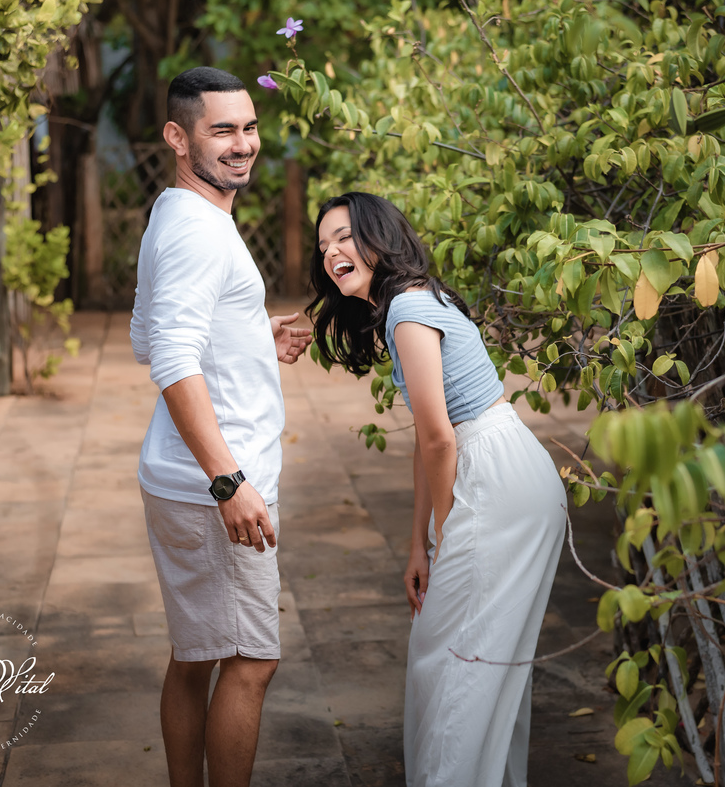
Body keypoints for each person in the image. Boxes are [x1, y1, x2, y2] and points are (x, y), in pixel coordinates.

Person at [307, 192, 567, 787]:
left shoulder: (406, 310)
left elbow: (440, 441)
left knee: (454, 663)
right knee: (483, 659)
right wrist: (420, 543)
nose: (332, 253)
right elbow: (429, 443)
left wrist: (446, 531)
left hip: (492, 473)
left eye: (344, 236)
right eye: (324, 246)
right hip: (503, 465)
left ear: (378, 236)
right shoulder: (416, 300)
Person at [129, 66, 310, 787]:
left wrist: (249, 335)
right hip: (213, 485)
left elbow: (151, 333)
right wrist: (229, 481)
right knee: (252, 659)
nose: (243, 144)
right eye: (222, 130)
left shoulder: (174, 213)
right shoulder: (199, 232)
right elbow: (168, 357)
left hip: (183, 478)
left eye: (250, 127)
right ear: (179, 137)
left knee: (198, 651)